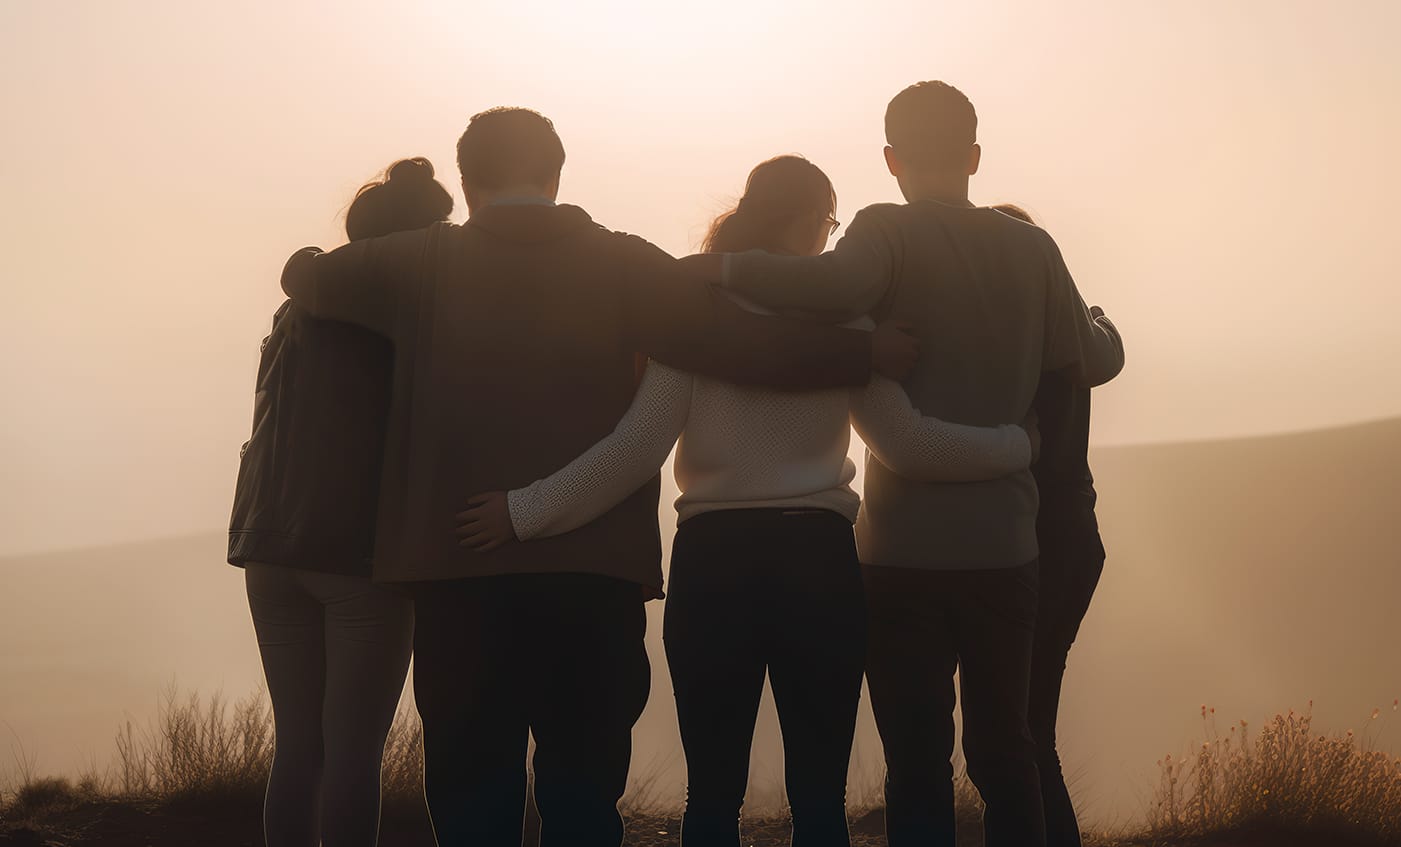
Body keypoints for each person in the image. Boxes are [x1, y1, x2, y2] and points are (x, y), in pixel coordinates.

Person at [278, 109, 917, 847]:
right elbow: (735, 342)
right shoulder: (623, 262)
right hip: (594, 576)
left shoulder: (417, 260)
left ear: (467, 180)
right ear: (555, 174)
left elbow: (305, 277)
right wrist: (859, 355)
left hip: (459, 570)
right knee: (583, 800)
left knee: (473, 795)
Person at [455, 154, 1039, 847]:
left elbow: (633, 451)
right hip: (819, 564)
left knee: (712, 797)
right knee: (819, 797)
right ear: (806, 221)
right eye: (828, 223)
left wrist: (523, 511)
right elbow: (911, 445)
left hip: (715, 567)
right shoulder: (851, 330)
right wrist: (1020, 443)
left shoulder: (694, 325)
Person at [682, 82, 1125, 847]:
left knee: (917, 762)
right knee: (1006, 754)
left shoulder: (884, 232)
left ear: (890, 159)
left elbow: (830, 285)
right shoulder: (1034, 250)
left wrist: (719, 271)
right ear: (976, 155)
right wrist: (1105, 327)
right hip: (1005, 548)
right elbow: (1088, 359)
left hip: (901, 556)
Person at [228, 157, 454, 847]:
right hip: (358, 554)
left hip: (269, 547)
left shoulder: (294, 310)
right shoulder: (402, 314)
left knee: (300, 747)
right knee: (354, 750)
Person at [991, 203, 1108, 847]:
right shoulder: (1072, 338)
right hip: (1074, 535)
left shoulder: (1007, 344)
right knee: (1031, 723)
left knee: (1019, 730)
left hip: (1030, 541)